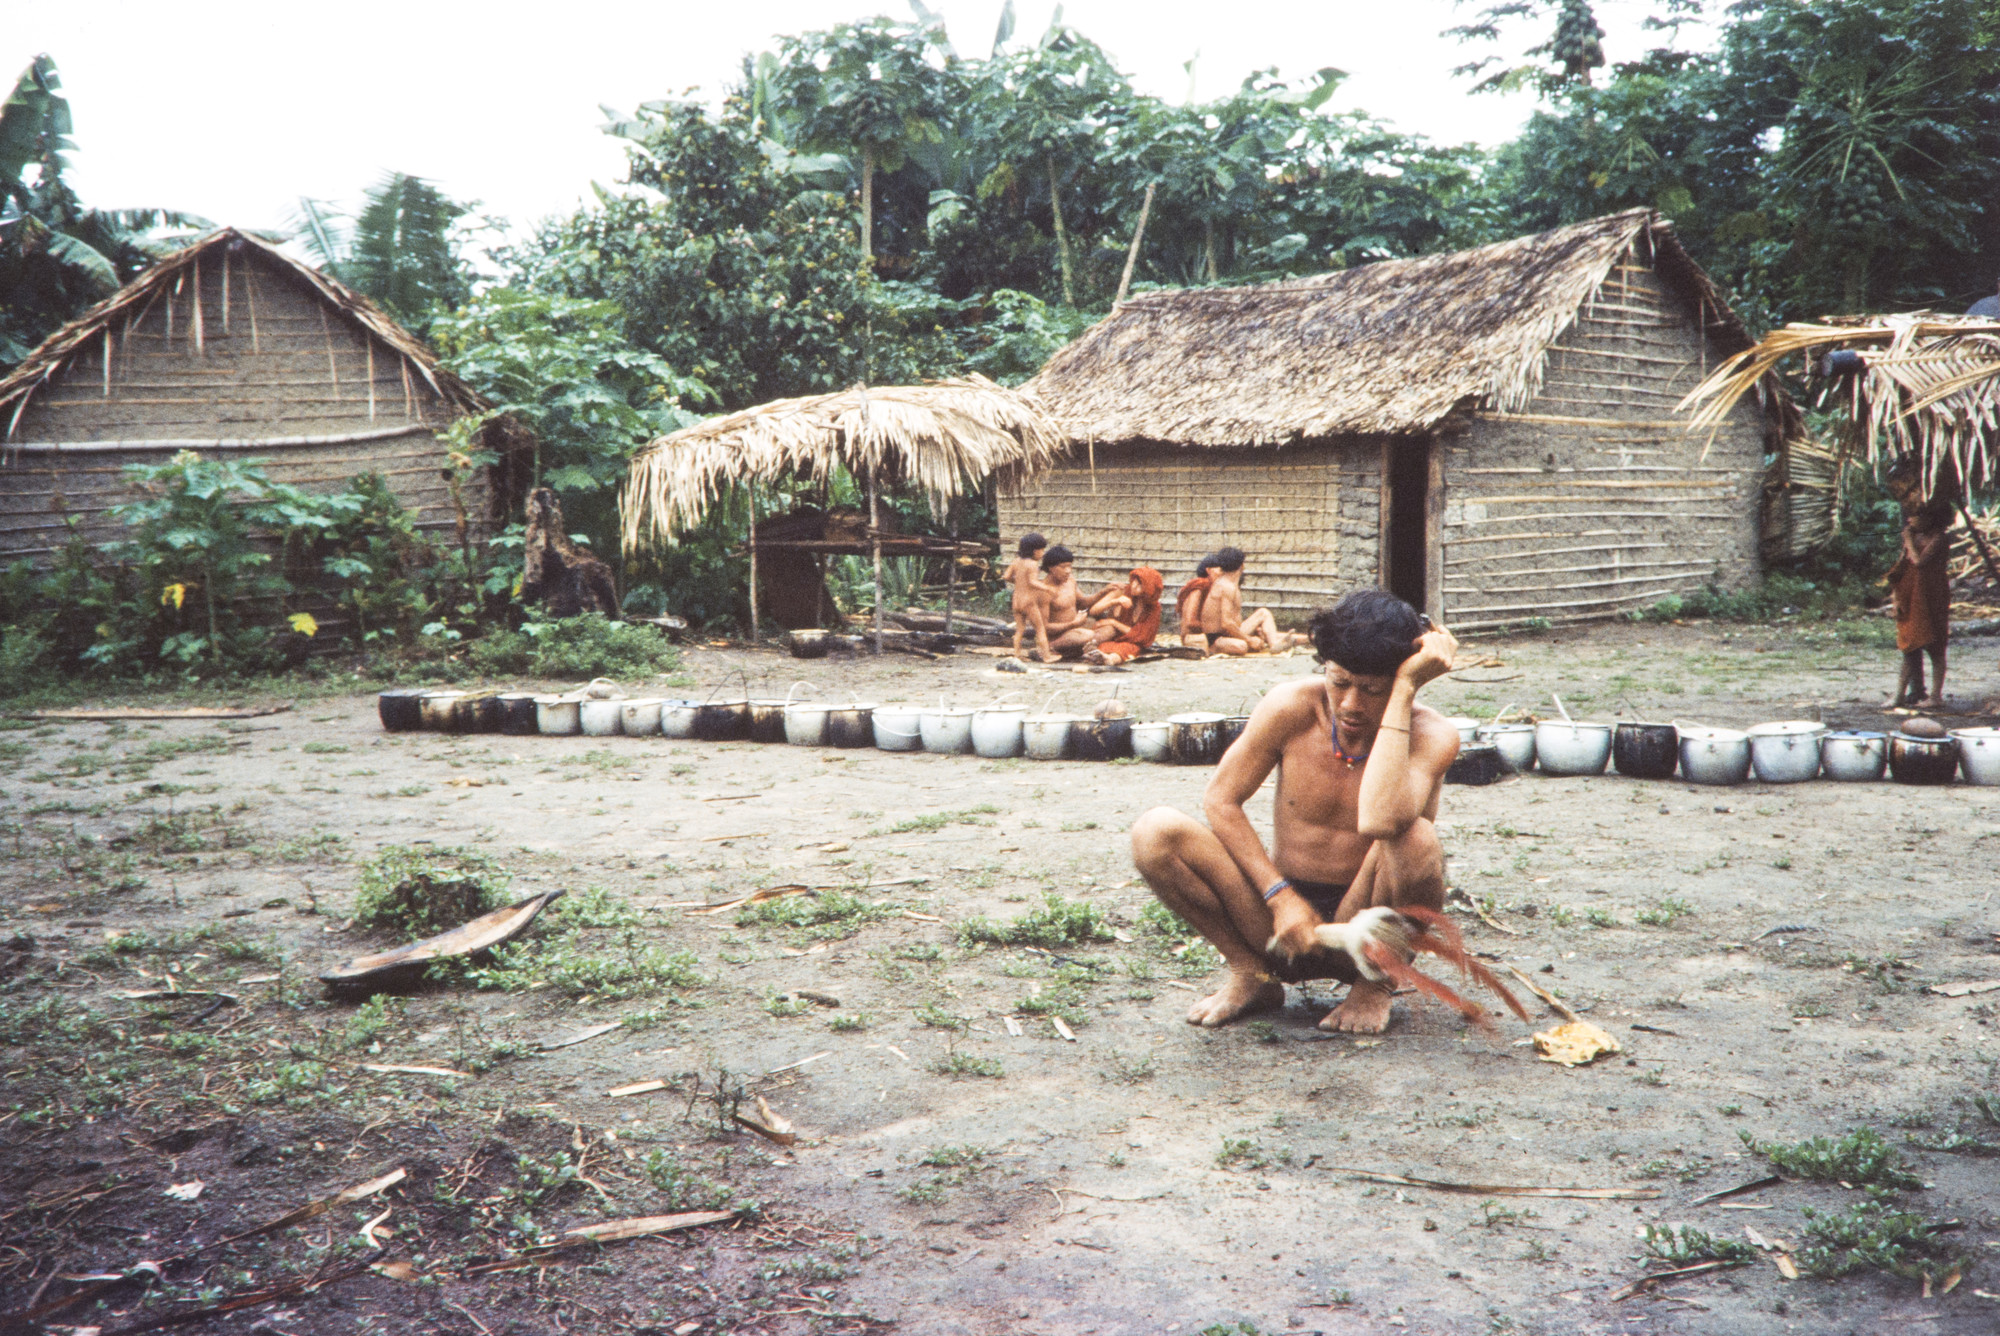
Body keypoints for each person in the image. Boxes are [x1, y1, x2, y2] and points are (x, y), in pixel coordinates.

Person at [1130, 589, 1460, 1035]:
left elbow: (1383, 822)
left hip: (1366, 919)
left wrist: (1403, 692)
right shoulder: (1290, 706)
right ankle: (1253, 974)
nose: (1350, 705)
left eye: (1372, 689)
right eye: (1339, 681)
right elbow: (1220, 800)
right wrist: (1281, 897)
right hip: (1275, 914)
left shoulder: (1432, 734)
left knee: (1417, 837)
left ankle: (1374, 985)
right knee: (1156, 831)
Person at [1889, 499, 1953, 709]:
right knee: (1910, 645)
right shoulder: (1912, 536)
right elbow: (1900, 568)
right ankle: (1899, 694)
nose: (1909, 519)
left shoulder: (1939, 538)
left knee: (1935, 644)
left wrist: (1908, 540)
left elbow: (1919, 561)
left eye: (1914, 515)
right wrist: (1896, 598)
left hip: (1931, 595)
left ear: (1929, 518)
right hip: (1910, 593)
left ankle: (1935, 695)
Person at [1196, 547, 1308, 655]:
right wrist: (1249, 640)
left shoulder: (1228, 584)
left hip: (1230, 634)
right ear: (1242, 566)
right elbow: (1226, 624)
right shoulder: (1226, 586)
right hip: (1216, 638)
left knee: (1263, 613)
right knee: (1242, 646)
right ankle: (1297, 640)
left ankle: (1276, 643)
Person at [1084, 567, 1165, 665]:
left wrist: (1113, 622)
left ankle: (1110, 659)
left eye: (1140, 584)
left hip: (1132, 642)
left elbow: (1141, 636)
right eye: (1135, 581)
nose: (1134, 586)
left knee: (1129, 648)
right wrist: (1114, 602)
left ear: (1149, 590)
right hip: (1111, 636)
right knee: (1106, 644)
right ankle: (1096, 655)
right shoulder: (1122, 591)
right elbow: (1093, 611)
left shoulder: (1154, 607)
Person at [1037, 544, 1098, 658]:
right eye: (1063, 567)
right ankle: (1049, 647)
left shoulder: (1070, 581)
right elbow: (1044, 627)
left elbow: (1083, 603)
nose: (1068, 571)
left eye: (1070, 566)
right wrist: (1073, 624)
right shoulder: (1044, 591)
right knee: (1088, 635)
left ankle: (1072, 650)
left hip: (1075, 631)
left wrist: (1105, 592)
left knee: (1107, 628)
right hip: (1058, 636)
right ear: (1051, 567)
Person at [1005, 533, 1054, 662]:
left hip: (1016, 601)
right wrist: (1047, 588)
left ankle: (1016, 655)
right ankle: (1047, 657)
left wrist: (1019, 582)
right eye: (1042, 550)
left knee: (1020, 629)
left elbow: (1006, 576)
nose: (1042, 553)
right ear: (1034, 551)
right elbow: (1033, 582)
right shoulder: (1032, 564)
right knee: (1040, 628)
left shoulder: (1016, 561)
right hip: (1028, 602)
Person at [1177, 553, 1222, 652]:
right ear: (1209, 570)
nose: (1222, 574)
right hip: (1194, 638)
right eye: (1220, 570)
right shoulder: (1200, 586)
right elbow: (1190, 621)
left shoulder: (1213, 587)